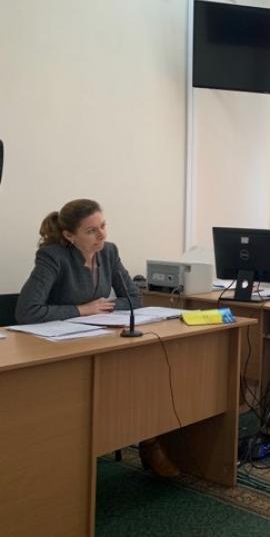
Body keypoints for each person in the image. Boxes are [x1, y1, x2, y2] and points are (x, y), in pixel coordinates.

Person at [15, 199, 179, 478]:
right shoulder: (53, 256)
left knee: (144, 371)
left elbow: (134, 298)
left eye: (103, 225)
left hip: (98, 338)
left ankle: (148, 440)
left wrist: (104, 308)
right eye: (91, 231)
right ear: (70, 235)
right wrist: (82, 309)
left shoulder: (109, 252)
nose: (101, 235)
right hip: (57, 347)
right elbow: (27, 311)